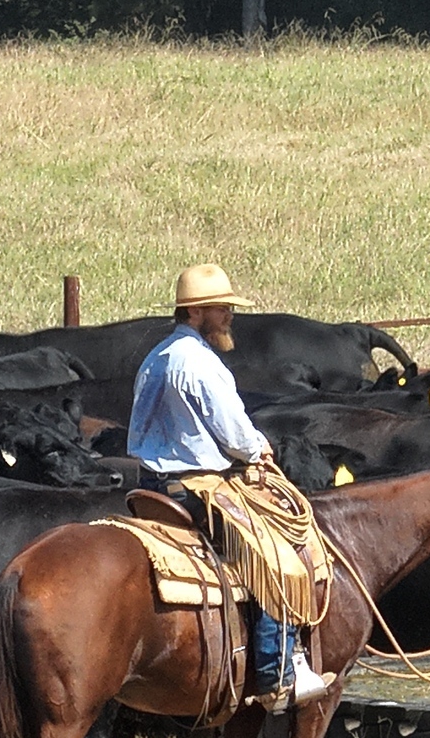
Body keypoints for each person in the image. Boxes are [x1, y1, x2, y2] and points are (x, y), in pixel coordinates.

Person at [126, 262, 334, 709]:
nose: (229, 317)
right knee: (276, 555)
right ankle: (277, 671)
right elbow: (235, 435)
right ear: (197, 312)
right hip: (197, 487)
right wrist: (258, 450)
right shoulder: (200, 363)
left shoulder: (156, 357)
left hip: (152, 484)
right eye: (222, 309)